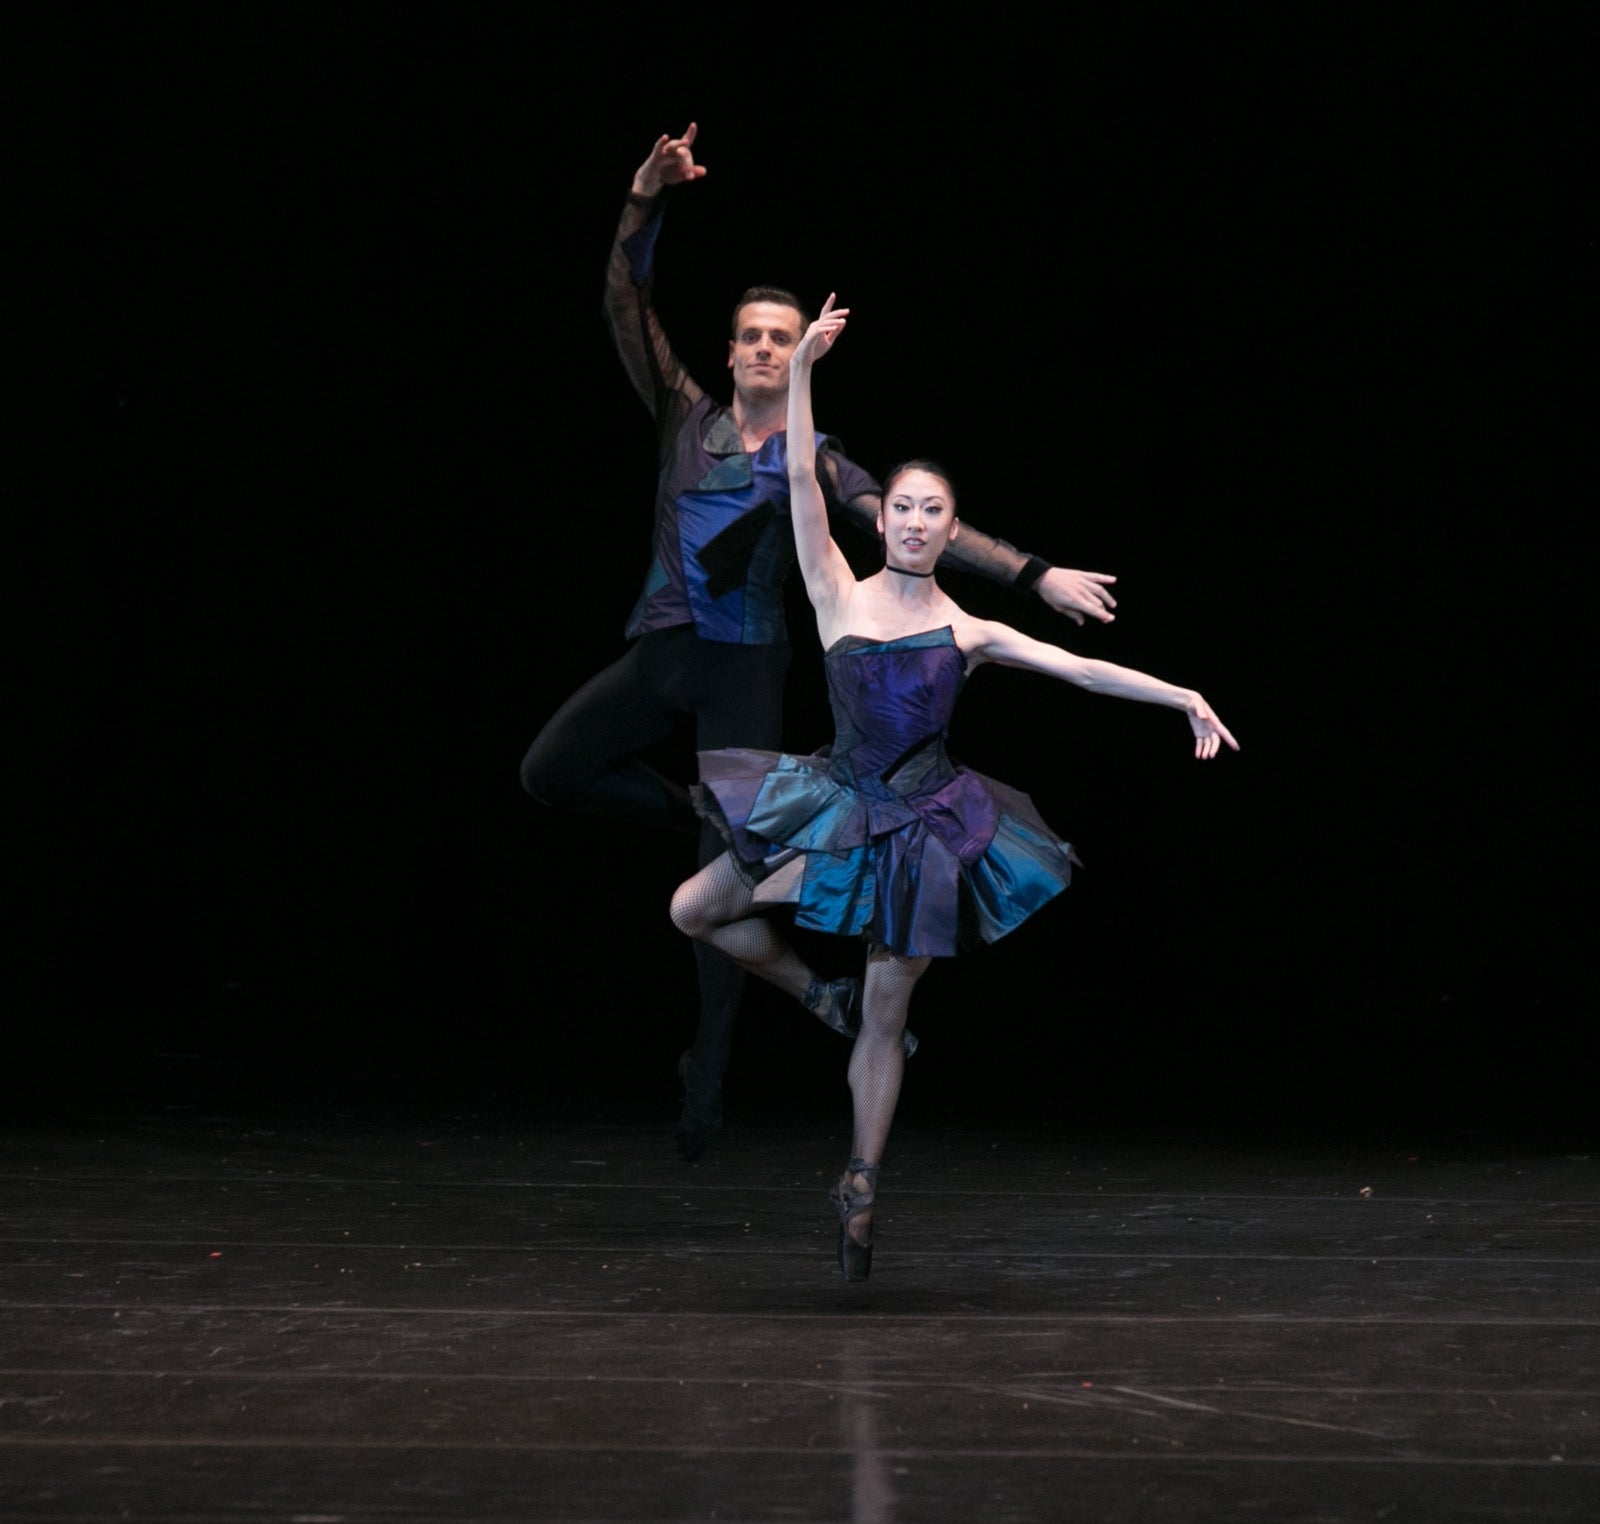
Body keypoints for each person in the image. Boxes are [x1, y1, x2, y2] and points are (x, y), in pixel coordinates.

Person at [520, 124, 1119, 1162]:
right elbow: (624, 302)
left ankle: (704, 1084)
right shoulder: (681, 414)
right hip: (663, 648)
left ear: (797, 354)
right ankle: (720, 861)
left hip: (744, 668)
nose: (759, 347)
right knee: (552, 768)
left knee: (719, 901)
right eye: (747, 334)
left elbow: (913, 518)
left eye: (776, 338)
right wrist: (642, 198)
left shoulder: (817, 461)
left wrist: (1032, 573)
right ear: (729, 350)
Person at [670, 295, 1238, 1280]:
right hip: (836, 798)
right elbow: (800, 475)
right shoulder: (835, 592)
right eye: (902, 507)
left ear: (948, 527)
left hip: (922, 825)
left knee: (890, 1013)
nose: (917, 522)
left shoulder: (969, 633)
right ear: (882, 518)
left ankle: (861, 1179)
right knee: (696, 907)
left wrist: (1182, 693)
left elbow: (1083, 670)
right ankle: (816, 995)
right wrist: (802, 367)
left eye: (934, 510)